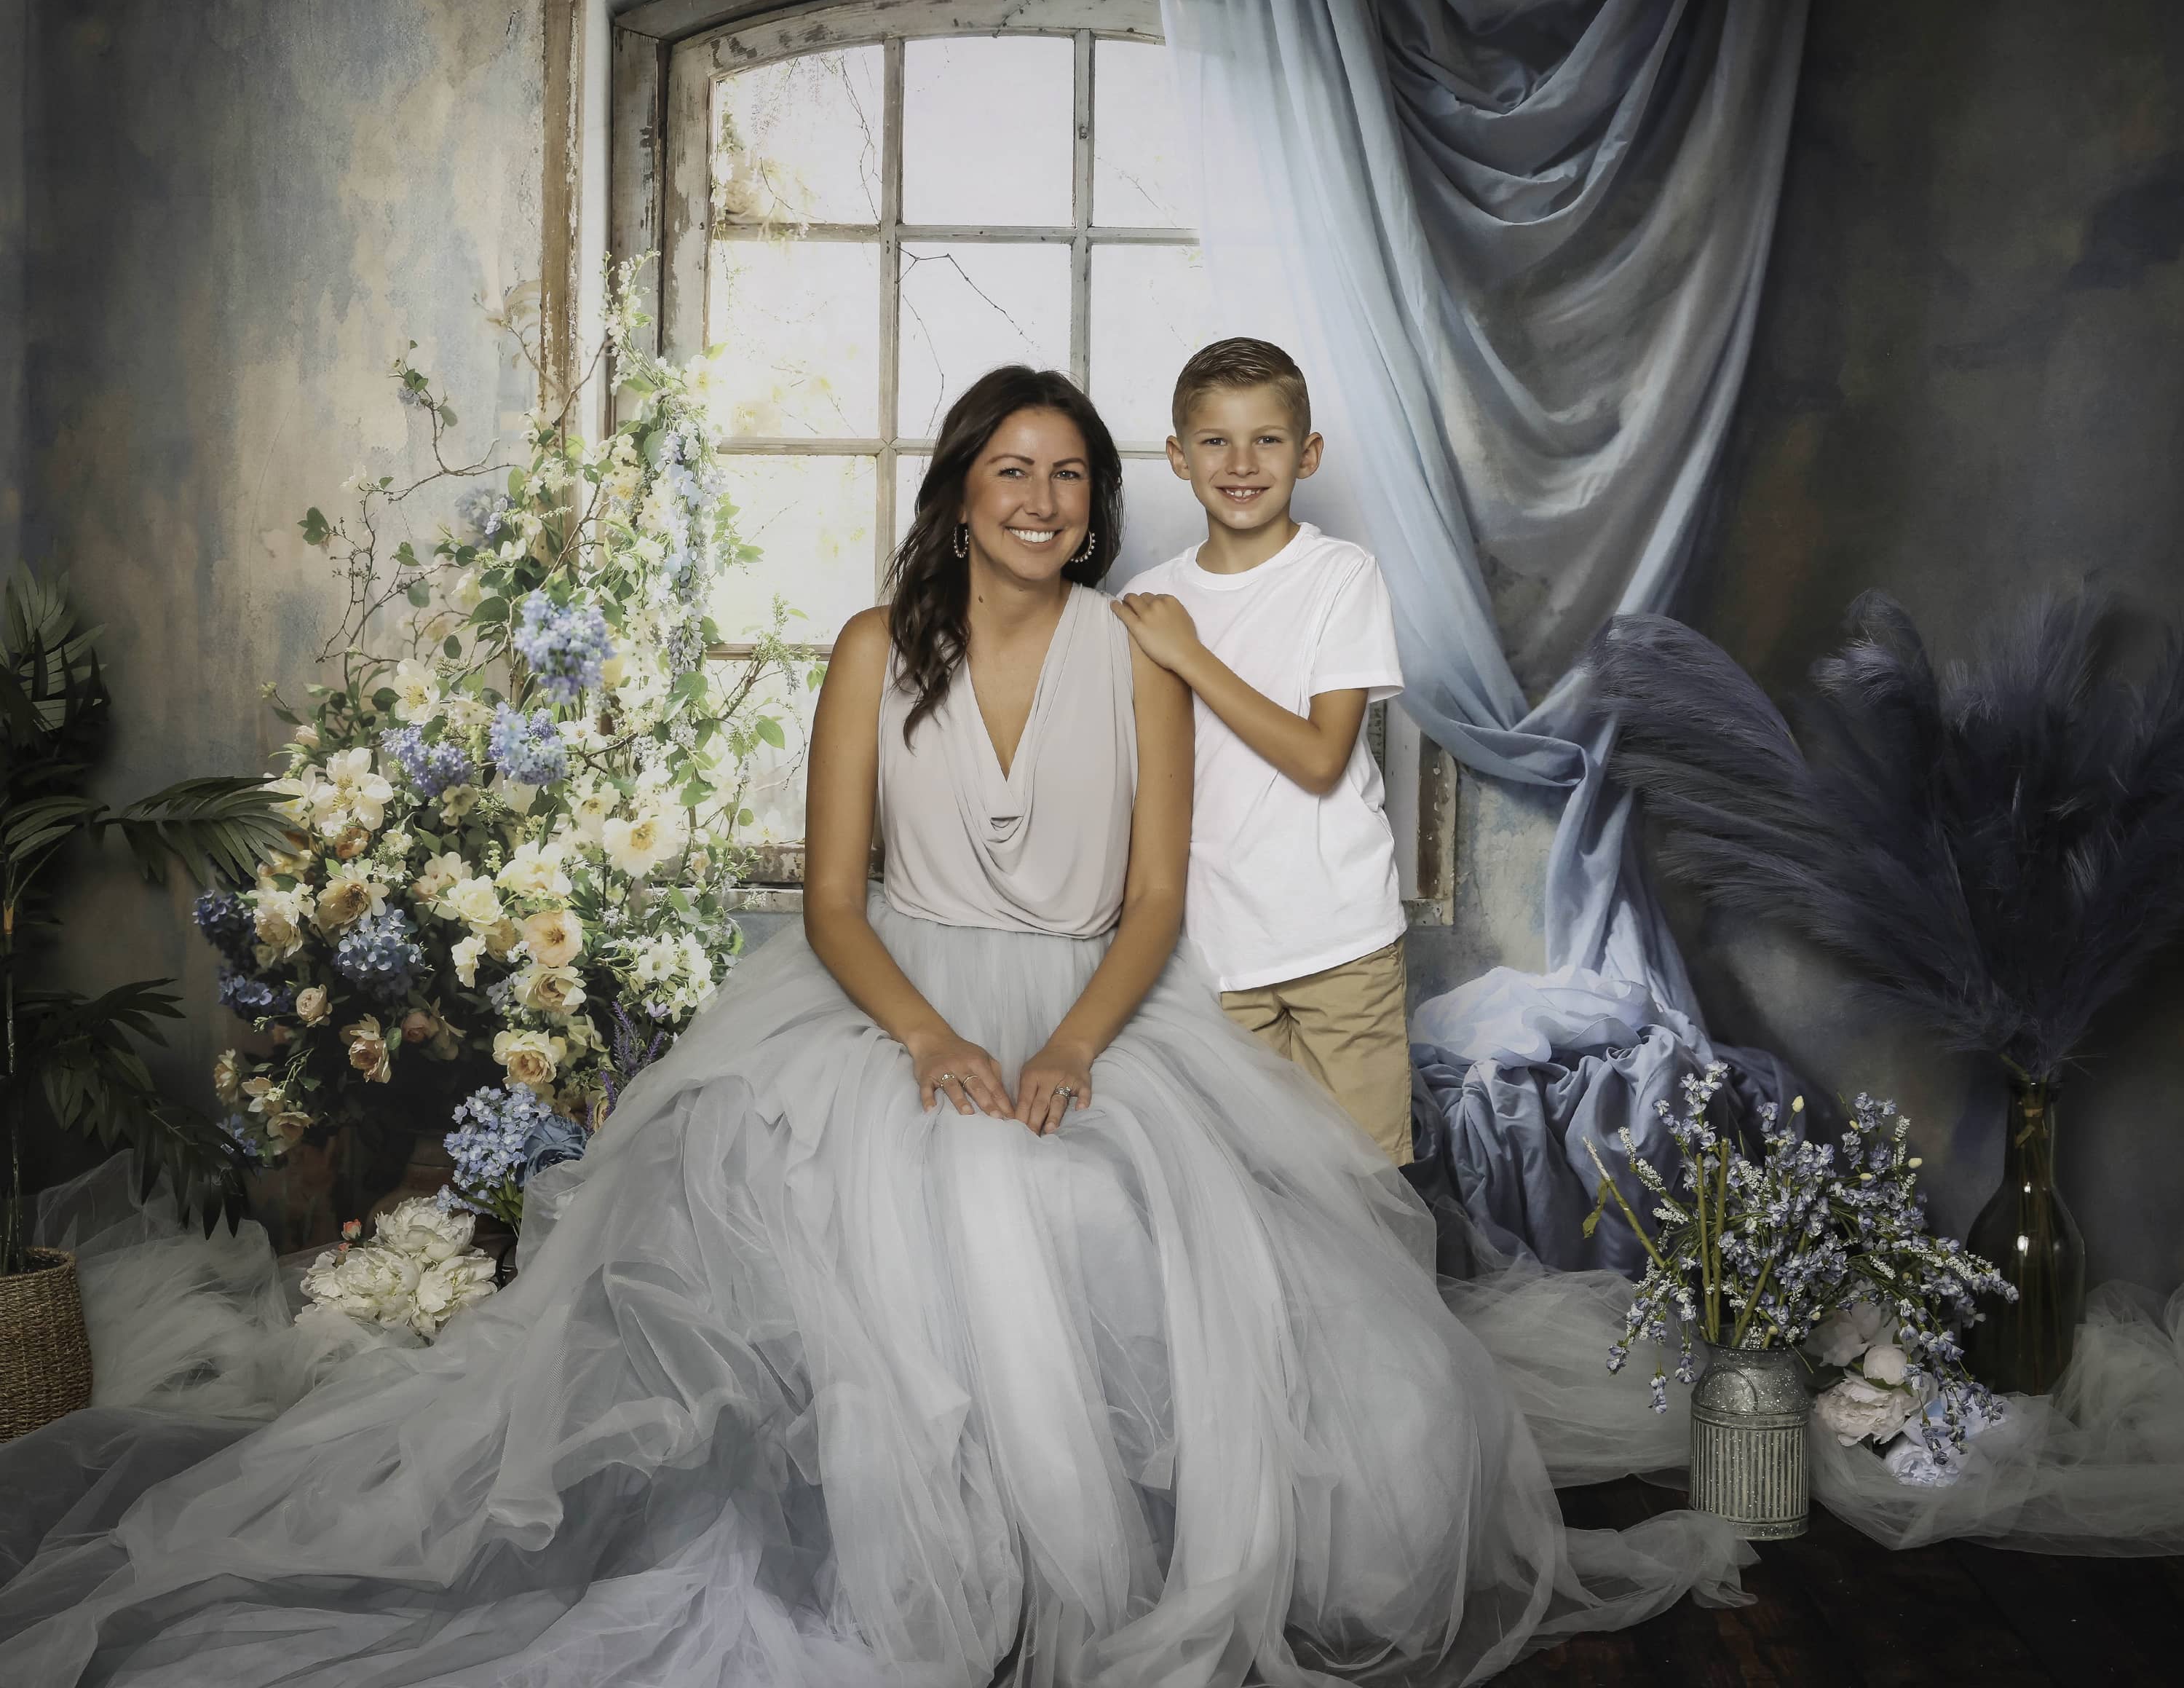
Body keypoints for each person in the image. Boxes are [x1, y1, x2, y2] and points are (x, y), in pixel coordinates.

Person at [0, 367, 1740, 1687]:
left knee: (1121, 1206)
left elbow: (1150, 901)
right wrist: (922, 1036)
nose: (1045, 497)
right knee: (868, 1187)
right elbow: (831, 901)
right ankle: (900, 1543)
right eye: (1013, 470)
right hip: (886, 989)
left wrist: (1068, 1043)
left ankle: (1103, 1554)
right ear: (958, 493)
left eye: (1071, 473)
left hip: (1094, 991)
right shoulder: (865, 649)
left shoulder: (1139, 650)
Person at [1117, 338, 1415, 1164]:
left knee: (1367, 1193)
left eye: (1269, 440)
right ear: (1179, 457)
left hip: (1339, 940)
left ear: (1308, 454)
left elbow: (1322, 759)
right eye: (1215, 441)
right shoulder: (1149, 604)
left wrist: (1192, 657)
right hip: (1213, 953)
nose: (1241, 463)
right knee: (1249, 1200)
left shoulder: (1341, 577)